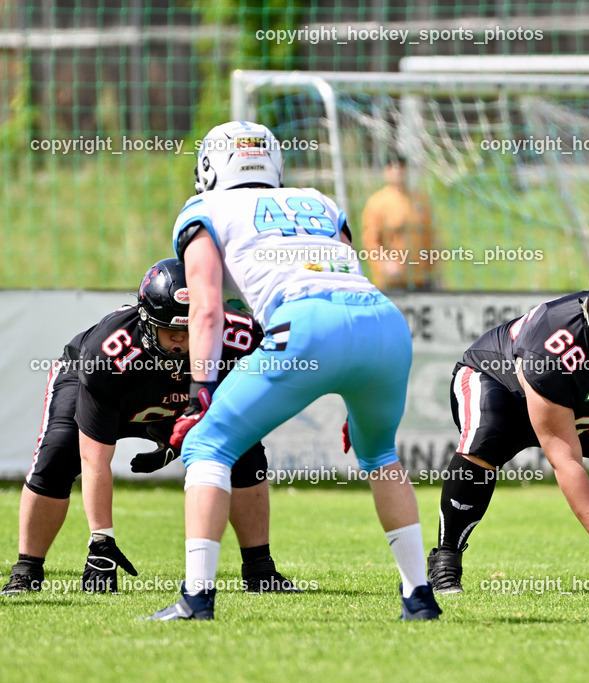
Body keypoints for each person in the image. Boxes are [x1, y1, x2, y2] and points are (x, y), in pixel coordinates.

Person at [148, 121, 439, 621]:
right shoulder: (320, 202)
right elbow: (348, 274)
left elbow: (207, 309)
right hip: (384, 325)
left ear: (210, 166)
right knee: (380, 455)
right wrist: (356, 387)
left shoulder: (204, 209)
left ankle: (196, 599)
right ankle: (419, 596)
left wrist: (200, 391)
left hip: (307, 323)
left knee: (206, 445)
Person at [2, 258, 296, 596]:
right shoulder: (108, 356)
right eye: (170, 331)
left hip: (180, 399)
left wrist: (178, 440)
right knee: (58, 454)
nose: (180, 342)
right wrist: (101, 541)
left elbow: (244, 403)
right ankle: (27, 570)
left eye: (191, 329)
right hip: (114, 389)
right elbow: (94, 460)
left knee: (245, 450)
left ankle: (260, 571)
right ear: (146, 320)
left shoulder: (241, 337)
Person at [426, 262, 589, 594]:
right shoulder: (555, 346)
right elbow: (565, 461)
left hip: (581, 403)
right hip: (504, 387)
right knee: (486, 440)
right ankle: (445, 562)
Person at [361, 155, 435, 291]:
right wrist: (383, 263)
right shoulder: (377, 202)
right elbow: (371, 240)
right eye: (392, 167)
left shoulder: (419, 200)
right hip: (393, 281)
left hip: (421, 278)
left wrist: (435, 270)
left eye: (401, 167)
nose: (397, 171)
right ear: (385, 171)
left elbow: (430, 237)